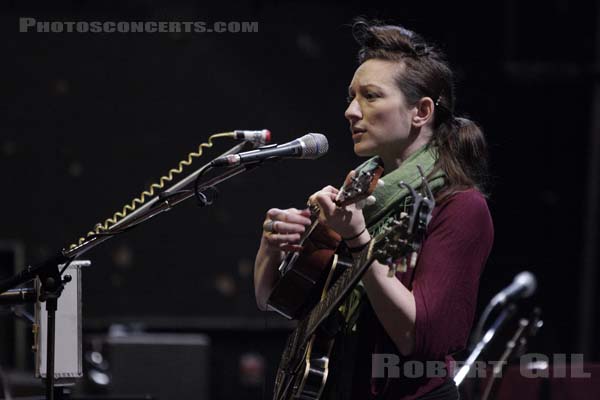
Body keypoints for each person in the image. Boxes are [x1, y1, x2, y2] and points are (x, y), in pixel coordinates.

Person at [254, 19, 494, 400]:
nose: (351, 111)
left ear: (421, 111)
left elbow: (419, 339)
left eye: (370, 96)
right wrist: (272, 247)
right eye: (351, 97)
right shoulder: (358, 191)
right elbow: (276, 300)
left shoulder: (461, 206)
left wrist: (357, 237)